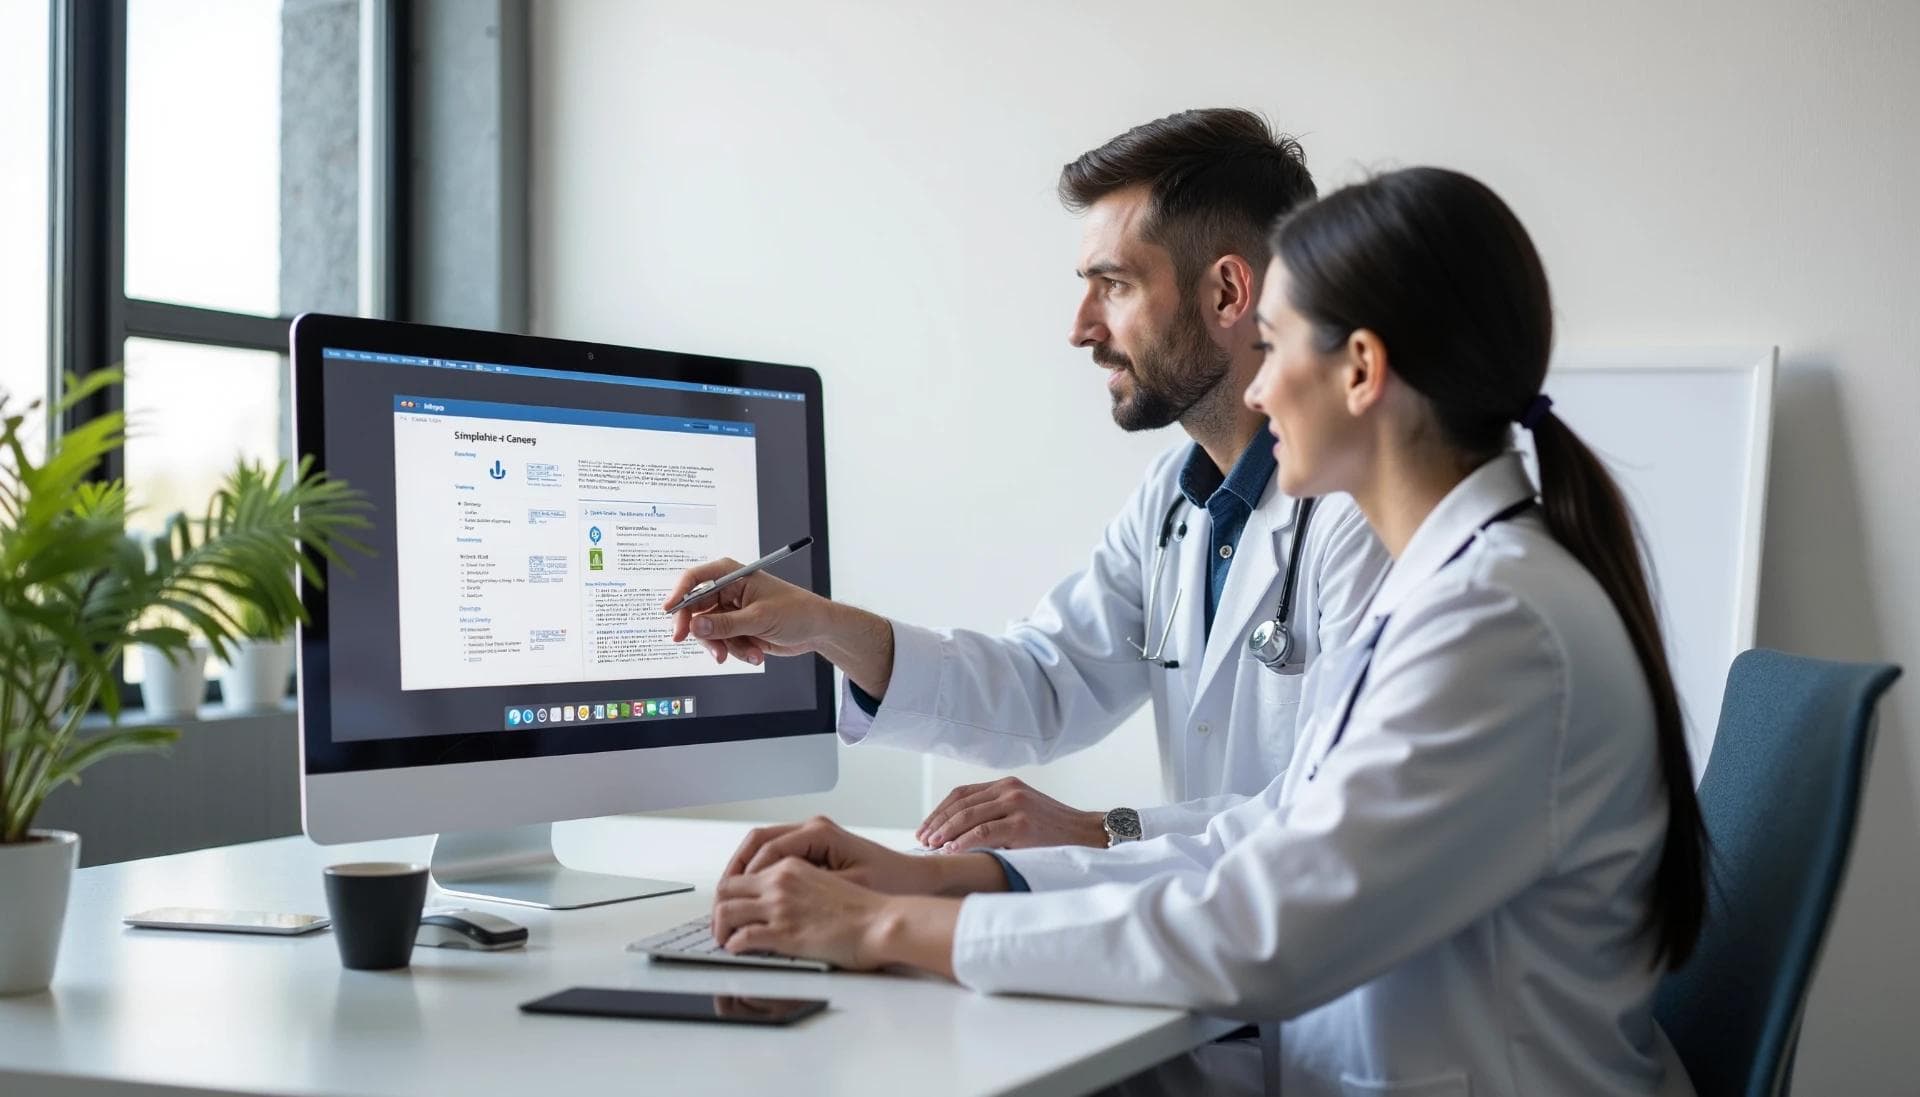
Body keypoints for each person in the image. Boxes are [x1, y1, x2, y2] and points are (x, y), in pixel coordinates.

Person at [697, 167, 1708, 1097]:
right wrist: (947, 876)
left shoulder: (1492, 622)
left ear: (1359, 370)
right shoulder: (1458, 590)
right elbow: (1261, 841)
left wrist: (887, 923)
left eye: (1278, 349)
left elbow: (1260, 929)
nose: (1261, 388)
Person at [670, 108, 1389, 852]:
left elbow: (1345, 812)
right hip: (1218, 934)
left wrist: (1097, 831)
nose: (1079, 327)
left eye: (1112, 286)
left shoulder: (1367, 511)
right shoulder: (1174, 502)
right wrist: (820, 624)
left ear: (1228, 295)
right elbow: (1043, 685)